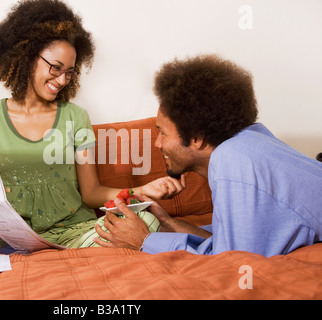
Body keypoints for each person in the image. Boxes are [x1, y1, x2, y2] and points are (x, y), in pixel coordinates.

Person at [0, 0, 178, 255]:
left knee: (146, 222)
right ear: (27, 56)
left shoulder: (75, 117)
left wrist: (143, 188)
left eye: (70, 72)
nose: (63, 79)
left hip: (73, 233)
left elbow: (91, 193)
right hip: (5, 238)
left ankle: (58, 250)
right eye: (55, 67)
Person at [94, 54, 322, 257]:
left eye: (162, 132)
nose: (157, 144)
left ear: (196, 137)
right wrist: (169, 224)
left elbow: (234, 262)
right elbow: (227, 242)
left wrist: (144, 241)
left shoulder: (231, 159)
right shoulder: (250, 140)